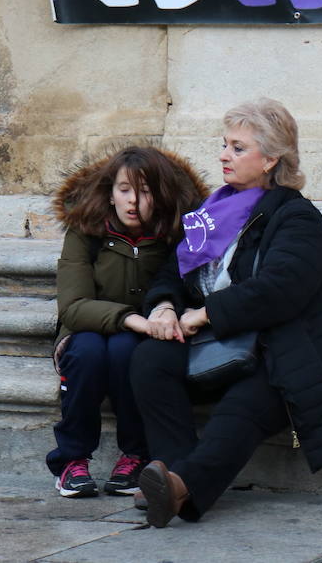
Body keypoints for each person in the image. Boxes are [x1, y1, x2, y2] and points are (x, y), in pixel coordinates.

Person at [129, 99, 322, 527]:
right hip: (224, 345)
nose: (224, 155)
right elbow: (173, 271)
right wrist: (165, 306)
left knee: (249, 401)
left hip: (287, 351)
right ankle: (169, 474)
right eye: (224, 145)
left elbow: (280, 290)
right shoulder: (211, 212)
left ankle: (181, 487)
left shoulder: (296, 218)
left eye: (238, 148)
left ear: (271, 159)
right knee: (150, 358)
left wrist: (203, 315)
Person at [45, 146, 207, 498]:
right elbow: (72, 307)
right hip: (87, 328)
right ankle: (71, 460)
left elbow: (185, 288)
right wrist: (131, 319)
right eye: (124, 190)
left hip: (141, 336)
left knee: (125, 353)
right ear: (110, 193)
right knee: (87, 354)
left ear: (161, 194)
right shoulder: (85, 230)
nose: (134, 201)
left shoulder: (173, 234)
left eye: (145, 191)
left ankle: (134, 455)